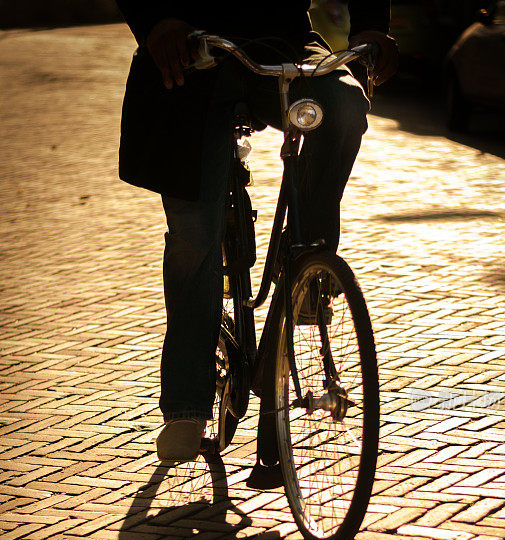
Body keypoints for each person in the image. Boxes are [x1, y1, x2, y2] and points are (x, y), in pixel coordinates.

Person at [115, 2, 397, 462]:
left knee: (345, 107)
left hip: (281, 41)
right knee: (196, 237)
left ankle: (307, 267)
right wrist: (156, 20)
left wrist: (372, 27)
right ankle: (186, 407)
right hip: (189, 52)